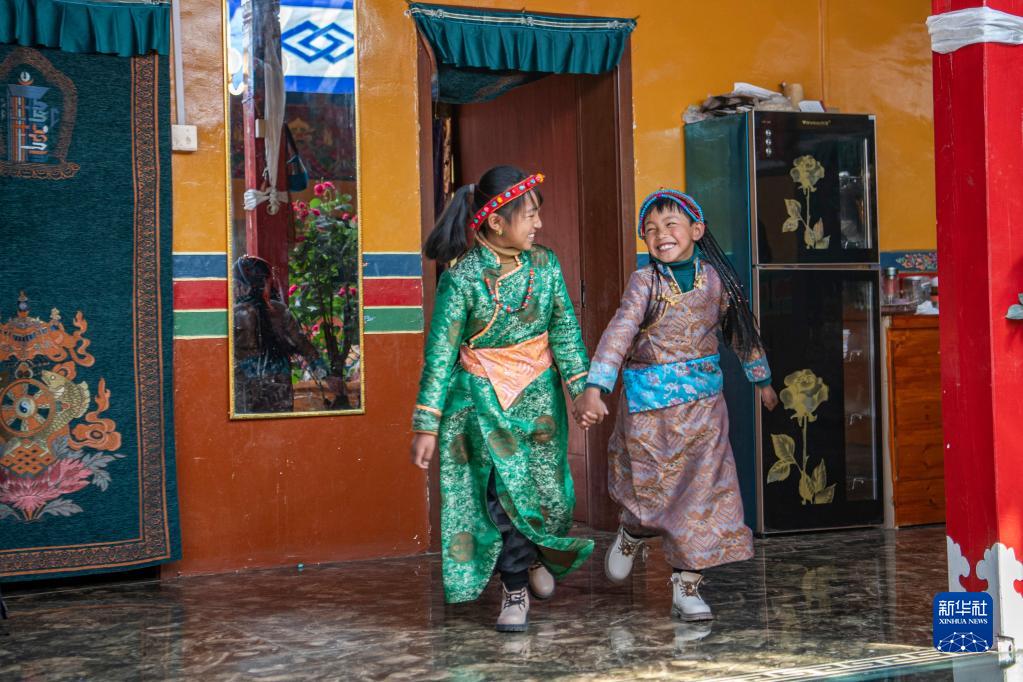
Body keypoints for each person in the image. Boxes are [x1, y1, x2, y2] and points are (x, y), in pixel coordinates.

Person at [575, 189, 779, 622]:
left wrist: (761, 380)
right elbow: (619, 331)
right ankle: (633, 530)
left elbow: (739, 332)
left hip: (705, 410)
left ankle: (687, 587)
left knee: (703, 496)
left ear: (696, 230)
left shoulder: (717, 281)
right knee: (649, 491)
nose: (660, 234)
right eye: (650, 230)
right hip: (650, 411)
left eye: (670, 225)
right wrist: (596, 386)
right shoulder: (644, 282)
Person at [410, 165, 595, 633]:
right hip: (483, 405)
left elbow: (565, 329)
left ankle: (534, 557)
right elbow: (439, 356)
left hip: (541, 401)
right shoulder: (461, 279)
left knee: (552, 497)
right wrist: (426, 424)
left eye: (537, 215)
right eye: (529, 216)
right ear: (496, 222)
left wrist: (582, 390)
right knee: (504, 499)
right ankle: (514, 589)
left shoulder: (546, 265)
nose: (538, 224)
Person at [233, 256, 323, 413]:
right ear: (266, 282)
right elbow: (303, 345)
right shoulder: (279, 311)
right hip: (279, 390)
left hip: (245, 392)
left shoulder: (232, 315)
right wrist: (325, 374)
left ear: (239, 285)